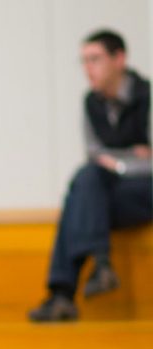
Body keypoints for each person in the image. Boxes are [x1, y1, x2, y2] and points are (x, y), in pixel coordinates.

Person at [29, 29, 153, 322]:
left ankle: (63, 292)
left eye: (95, 59)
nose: (88, 68)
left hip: (145, 190)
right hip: (111, 193)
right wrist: (130, 155)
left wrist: (121, 165)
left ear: (119, 59)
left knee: (81, 191)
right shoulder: (91, 103)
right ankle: (99, 266)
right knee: (85, 183)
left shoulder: (147, 96)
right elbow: (96, 155)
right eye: (83, 61)